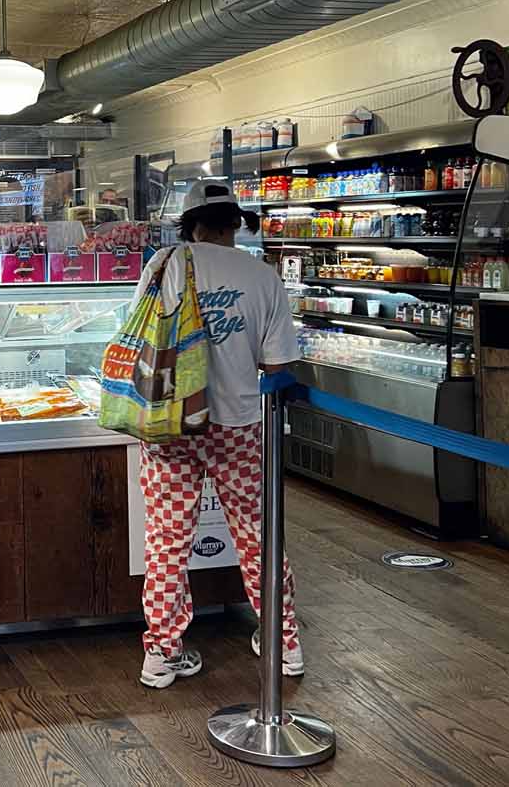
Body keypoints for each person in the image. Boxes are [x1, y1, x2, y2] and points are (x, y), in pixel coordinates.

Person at [134, 177, 302, 690]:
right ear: (235, 224)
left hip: (170, 424)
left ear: (190, 225)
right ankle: (284, 643)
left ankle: (162, 654)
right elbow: (278, 365)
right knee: (257, 534)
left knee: (167, 540)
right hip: (239, 424)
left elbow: (139, 339)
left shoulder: (163, 265)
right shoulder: (262, 275)